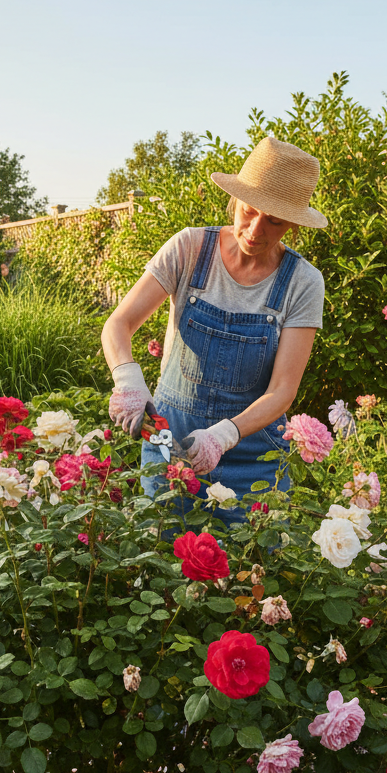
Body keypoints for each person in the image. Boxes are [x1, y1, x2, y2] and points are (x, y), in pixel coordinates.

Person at [101, 136, 328, 512]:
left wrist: (224, 435)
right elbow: (119, 323)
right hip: (169, 442)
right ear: (234, 200)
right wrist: (128, 380)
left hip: (252, 456)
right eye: (249, 211)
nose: (255, 230)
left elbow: (283, 391)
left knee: (252, 567)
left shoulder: (303, 282)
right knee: (162, 557)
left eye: (274, 221)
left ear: (292, 223)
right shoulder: (190, 249)